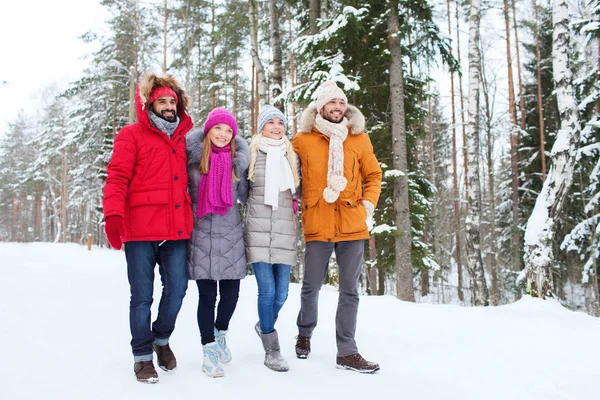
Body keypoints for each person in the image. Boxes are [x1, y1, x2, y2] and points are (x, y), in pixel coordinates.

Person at [103, 72, 194, 383]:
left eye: (172, 101)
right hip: (141, 230)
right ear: (150, 105)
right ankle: (142, 356)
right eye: (162, 101)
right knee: (142, 296)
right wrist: (113, 214)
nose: (168, 106)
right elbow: (116, 177)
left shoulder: (186, 137)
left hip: (176, 230)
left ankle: (161, 337)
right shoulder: (131, 135)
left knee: (178, 290)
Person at [292, 81, 382, 373]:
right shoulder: (303, 139)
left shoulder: (359, 139)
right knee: (311, 286)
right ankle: (304, 333)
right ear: (321, 107)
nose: (338, 108)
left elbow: (374, 176)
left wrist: (367, 206)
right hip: (318, 221)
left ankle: (347, 351)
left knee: (350, 291)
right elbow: (285, 169)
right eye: (332, 103)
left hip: (351, 224)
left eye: (342, 103)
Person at [186, 107, 249, 378]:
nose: (223, 134)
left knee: (231, 296)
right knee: (207, 297)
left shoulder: (238, 165)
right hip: (201, 235)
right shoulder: (193, 163)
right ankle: (208, 349)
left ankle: (220, 333)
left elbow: (248, 196)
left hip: (231, 235)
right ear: (208, 131)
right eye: (218, 129)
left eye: (228, 131)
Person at [245, 105, 300, 372]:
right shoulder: (251, 154)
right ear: (261, 127)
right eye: (271, 123)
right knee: (266, 291)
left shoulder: (291, 157)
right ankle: (272, 349)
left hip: (284, 231)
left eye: (281, 123)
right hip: (257, 230)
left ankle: (263, 324)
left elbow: (298, 192)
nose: (276, 127)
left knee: (283, 293)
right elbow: (241, 191)